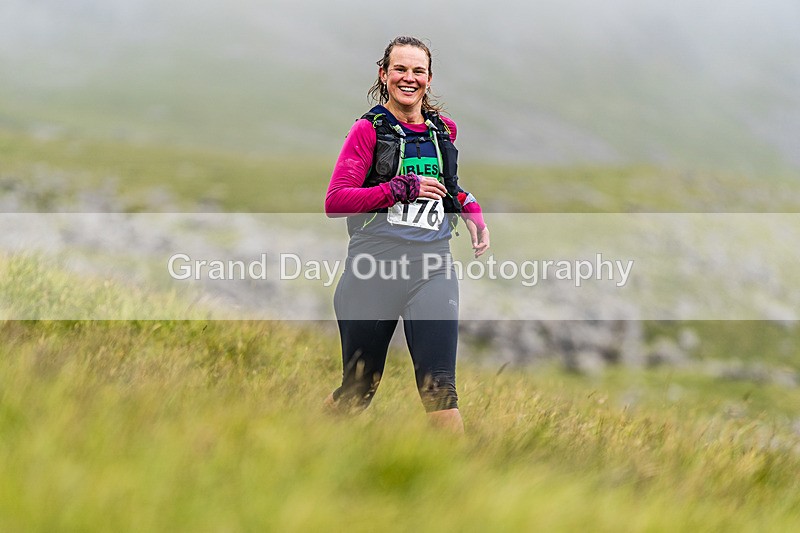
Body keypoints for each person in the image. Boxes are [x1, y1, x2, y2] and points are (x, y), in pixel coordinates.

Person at [324, 36, 489, 433]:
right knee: (358, 391)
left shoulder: (442, 132)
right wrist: (398, 189)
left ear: (429, 79)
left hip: (432, 267)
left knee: (440, 393)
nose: (408, 78)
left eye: (418, 71)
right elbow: (336, 201)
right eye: (400, 69)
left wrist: (470, 209)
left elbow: (446, 185)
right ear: (384, 75)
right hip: (372, 270)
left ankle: (456, 492)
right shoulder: (369, 131)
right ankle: (300, 445)